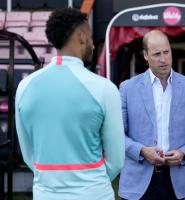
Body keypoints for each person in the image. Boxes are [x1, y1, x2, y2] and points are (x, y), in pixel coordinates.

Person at [15, 8, 124, 200]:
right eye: (90, 37)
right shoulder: (104, 88)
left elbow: (28, 155)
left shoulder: (24, 86)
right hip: (94, 193)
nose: (92, 43)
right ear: (82, 36)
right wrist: (89, 182)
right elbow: (116, 160)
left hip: (45, 194)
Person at [118, 30, 185, 200]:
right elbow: (116, 135)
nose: (163, 59)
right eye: (157, 54)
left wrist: (183, 153)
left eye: (166, 52)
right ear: (145, 55)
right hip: (136, 183)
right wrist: (142, 151)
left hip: (175, 182)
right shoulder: (127, 88)